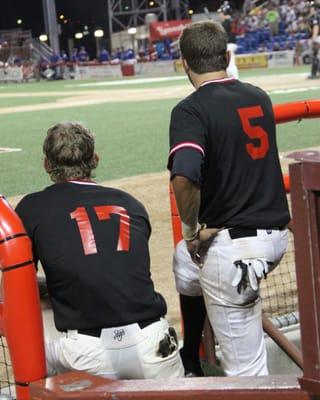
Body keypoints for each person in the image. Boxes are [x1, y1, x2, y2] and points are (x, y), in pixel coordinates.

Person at [167, 21, 290, 377]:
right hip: (277, 236)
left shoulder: (190, 109)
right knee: (184, 262)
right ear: (226, 56)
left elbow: (184, 176)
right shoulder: (258, 96)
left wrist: (191, 231)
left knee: (247, 374)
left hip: (236, 252)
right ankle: (191, 354)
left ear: (185, 63)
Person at [15, 122, 184, 379]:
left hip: (86, 355)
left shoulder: (31, 207)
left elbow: (16, 286)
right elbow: (111, 268)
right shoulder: (132, 204)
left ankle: (34, 391)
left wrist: (51, 287)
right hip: (155, 346)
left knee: (32, 304)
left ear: (47, 165)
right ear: (95, 159)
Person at [218, 4, 239, 79]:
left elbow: (221, 35)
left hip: (229, 44)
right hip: (232, 43)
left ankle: (235, 79)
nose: (219, 15)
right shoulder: (230, 20)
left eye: (221, 13)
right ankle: (231, 78)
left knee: (230, 64)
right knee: (229, 63)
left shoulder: (226, 22)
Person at [308, 4, 320, 79]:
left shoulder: (317, 16)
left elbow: (316, 28)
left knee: (315, 55)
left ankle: (314, 74)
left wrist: (314, 38)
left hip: (319, 37)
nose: (310, 10)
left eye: (311, 9)